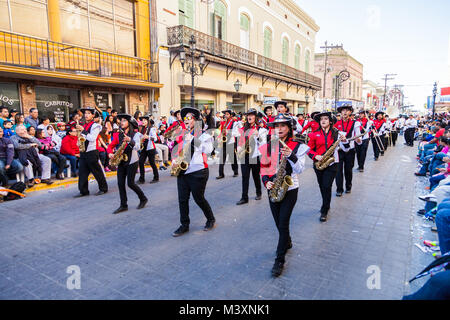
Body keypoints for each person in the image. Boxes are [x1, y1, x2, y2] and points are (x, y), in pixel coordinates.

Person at [259, 113, 309, 277]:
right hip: (272, 187)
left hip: (290, 187)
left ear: (289, 128)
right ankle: (286, 241)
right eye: (276, 126)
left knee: (283, 223)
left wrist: (291, 155)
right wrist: (266, 181)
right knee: (278, 223)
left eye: (283, 126)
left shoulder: (298, 145)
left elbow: (300, 169)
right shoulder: (268, 145)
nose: (279, 129)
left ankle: (279, 260)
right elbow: (264, 168)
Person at [171, 107, 216, 237]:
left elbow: (208, 150)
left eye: (189, 117)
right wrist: (174, 160)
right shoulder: (182, 133)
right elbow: (176, 149)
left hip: (199, 171)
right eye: (184, 118)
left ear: (195, 120)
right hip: (183, 171)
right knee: (182, 199)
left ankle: (210, 219)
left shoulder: (204, 133)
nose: (186, 120)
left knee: (199, 198)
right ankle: (184, 225)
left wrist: (193, 140)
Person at [307, 112, 349, 222]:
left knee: (327, 186)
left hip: (332, 163)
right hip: (318, 164)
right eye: (321, 119)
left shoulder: (338, 133)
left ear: (330, 121)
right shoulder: (313, 134)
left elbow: (346, 149)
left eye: (326, 119)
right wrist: (315, 156)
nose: (323, 121)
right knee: (322, 186)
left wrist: (344, 141)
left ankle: (324, 209)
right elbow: (309, 150)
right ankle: (326, 202)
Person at [107, 114, 148, 214]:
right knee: (120, 184)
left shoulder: (136, 135)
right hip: (121, 161)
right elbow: (111, 146)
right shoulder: (118, 135)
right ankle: (123, 205)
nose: (121, 122)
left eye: (124, 121)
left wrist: (130, 140)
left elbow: (138, 147)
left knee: (131, 183)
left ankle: (143, 198)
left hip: (132, 161)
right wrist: (110, 153)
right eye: (121, 120)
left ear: (129, 123)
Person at [235, 108, 268, 205]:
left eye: (251, 115)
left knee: (255, 176)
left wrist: (258, 136)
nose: (249, 117)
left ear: (255, 117)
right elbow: (239, 141)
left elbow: (263, 144)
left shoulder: (260, 130)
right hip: (244, 155)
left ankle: (259, 192)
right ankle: (244, 197)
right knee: (245, 177)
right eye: (248, 115)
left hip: (255, 156)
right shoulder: (242, 128)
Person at [74, 107, 108, 197]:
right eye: (85, 113)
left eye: (89, 113)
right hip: (83, 151)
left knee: (97, 171)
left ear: (93, 115)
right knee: (82, 172)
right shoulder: (84, 125)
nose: (86, 115)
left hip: (92, 151)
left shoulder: (95, 126)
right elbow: (82, 137)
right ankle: (83, 191)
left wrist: (83, 131)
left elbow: (92, 138)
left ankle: (103, 188)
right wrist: (79, 142)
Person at [333, 105, 362, 196]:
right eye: (343, 110)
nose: (345, 112)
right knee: (338, 171)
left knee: (348, 170)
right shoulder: (336, 124)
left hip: (350, 150)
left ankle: (348, 186)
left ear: (350, 112)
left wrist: (358, 140)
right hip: (339, 150)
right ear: (340, 113)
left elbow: (358, 136)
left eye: (347, 110)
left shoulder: (355, 123)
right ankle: (339, 189)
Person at [217, 109, 239, 179]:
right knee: (222, 158)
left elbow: (236, 133)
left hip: (231, 141)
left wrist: (228, 132)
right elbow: (221, 131)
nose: (226, 116)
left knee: (233, 158)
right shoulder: (223, 122)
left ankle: (235, 171)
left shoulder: (234, 122)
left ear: (230, 115)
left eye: (227, 114)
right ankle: (221, 174)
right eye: (225, 114)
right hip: (224, 141)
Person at [138, 116, 159, 184]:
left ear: (148, 121)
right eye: (142, 120)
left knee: (152, 163)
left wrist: (148, 137)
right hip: (144, 148)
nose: (143, 121)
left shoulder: (151, 129)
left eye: (145, 120)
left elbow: (155, 138)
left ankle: (156, 177)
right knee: (141, 162)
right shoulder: (142, 129)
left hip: (150, 148)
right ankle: (142, 179)